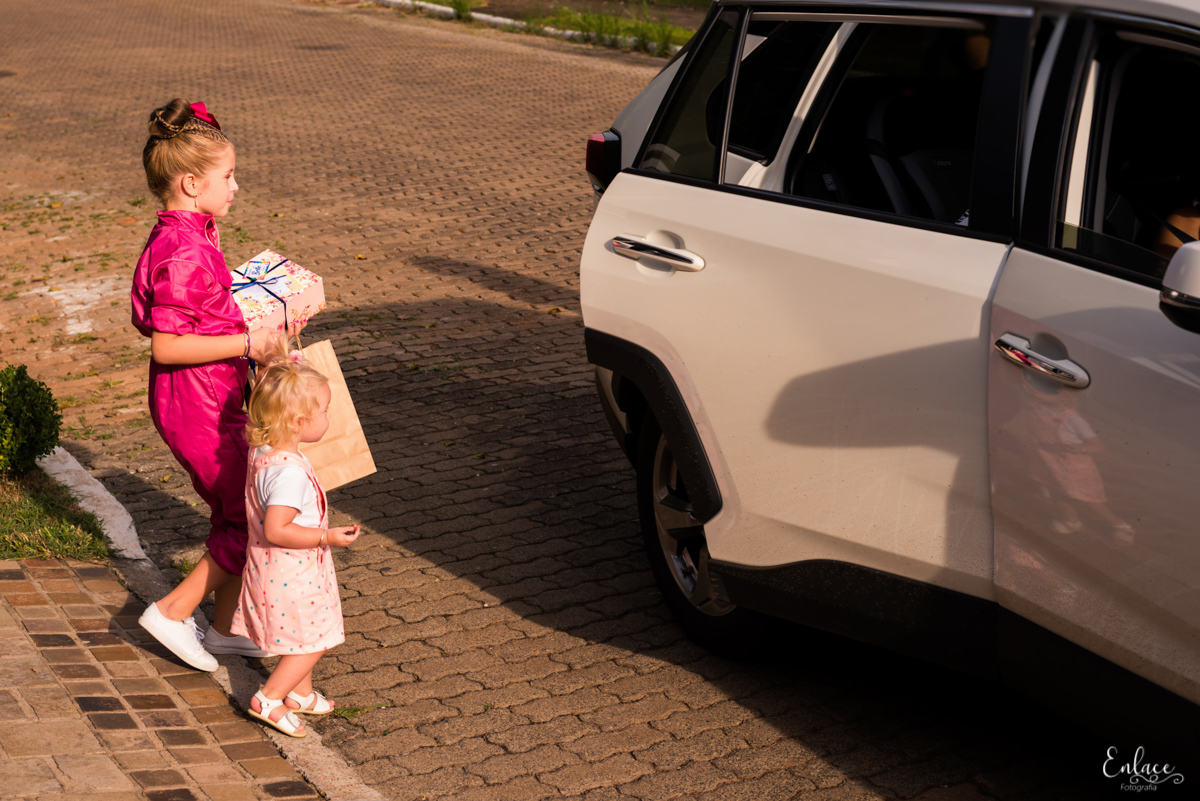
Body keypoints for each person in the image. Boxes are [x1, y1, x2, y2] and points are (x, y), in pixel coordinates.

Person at [131, 98, 294, 671]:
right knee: (248, 517)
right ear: (191, 182)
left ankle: (225, 630)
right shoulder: (181, 250)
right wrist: (251, 343)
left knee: (239, 510)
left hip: (212, 393)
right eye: (229, 176)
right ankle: (172, 612)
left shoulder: (192, 236)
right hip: (195, 402)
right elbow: (168, 345)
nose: (237, 187)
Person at [231, 340, 360, 737]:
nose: (327, 416)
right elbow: (278, 529)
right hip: (292, 575)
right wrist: (327, 536)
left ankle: (299, 693)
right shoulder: (287, 474)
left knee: (300, 633)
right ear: (298, 422)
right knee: (315, 638)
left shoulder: (265, 452)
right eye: (323, 410)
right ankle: (268, 699)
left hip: (277, 572)